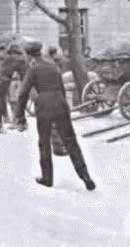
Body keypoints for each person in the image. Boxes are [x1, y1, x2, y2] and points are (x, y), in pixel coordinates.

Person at [14, 40, 96, 191]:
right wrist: (63, 106)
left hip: (44, 105)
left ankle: (47, 178)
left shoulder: (32, 70)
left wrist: (20, 117)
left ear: (29, 55)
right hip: (60, 102)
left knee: (44, 142)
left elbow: (23, 93)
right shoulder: (53, 67)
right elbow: (62, 89)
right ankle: (86, 177)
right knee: (71, 141)